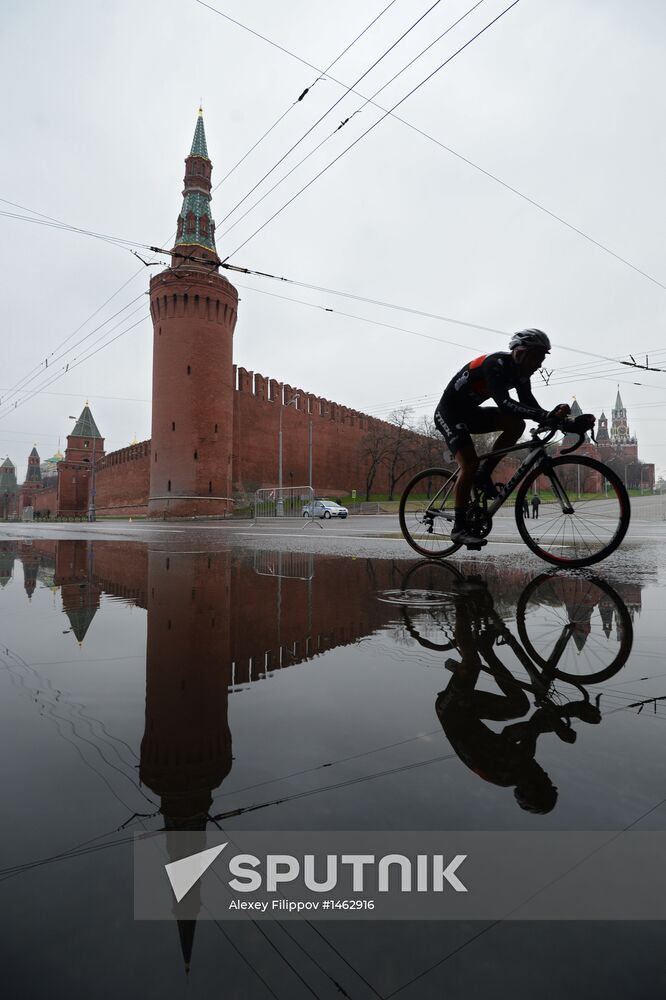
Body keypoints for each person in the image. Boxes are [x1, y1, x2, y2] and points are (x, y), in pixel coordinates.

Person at [435, 329, 574, 547]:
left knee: (516, 424)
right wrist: (543, 415)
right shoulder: (495, 364)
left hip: (471, 414)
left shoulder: (521, 375)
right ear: (520, 353)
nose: (539, 365)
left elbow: (528, 403)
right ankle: (459, 528)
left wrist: (559, 419)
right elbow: (505, 403)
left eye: (542, 359)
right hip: (449, 414)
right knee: (469, 464)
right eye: (537, 357)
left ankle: (485, 473)